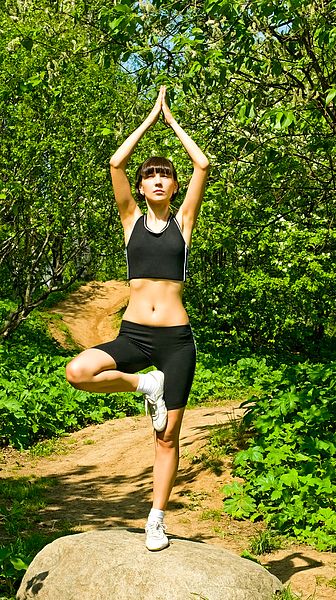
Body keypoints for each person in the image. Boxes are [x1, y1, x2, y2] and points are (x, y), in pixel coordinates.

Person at [65, 85, 209, 551]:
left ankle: (155, 517)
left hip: (175, 342)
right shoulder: (129, 219)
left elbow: (202, 165)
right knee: (79, 371)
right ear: (143, 188)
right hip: (133, 337)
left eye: (166, 175)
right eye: (152, 177)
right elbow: (115, 163)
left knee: (166, 437)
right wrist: (149, 118)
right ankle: (145, 385)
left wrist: (172, 123)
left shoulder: (183, 223)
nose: (160, 181)